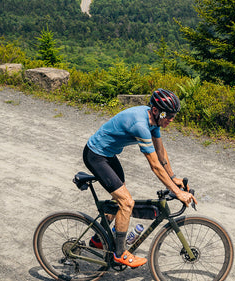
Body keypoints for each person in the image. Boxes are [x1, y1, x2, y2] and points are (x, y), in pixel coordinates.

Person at [82, 88, 196, 268]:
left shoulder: (153, 121)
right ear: (157, 110)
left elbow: (160, 153)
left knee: (119, 198)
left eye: (174, 115)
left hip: (108, 155)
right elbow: (155, 166)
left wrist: (173, 178)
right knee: (126, 202)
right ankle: (119, 254)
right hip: (96, 156)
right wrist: (178, 193)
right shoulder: (140, 124)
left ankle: (97, 240)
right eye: (169, 115)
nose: (171, 119)